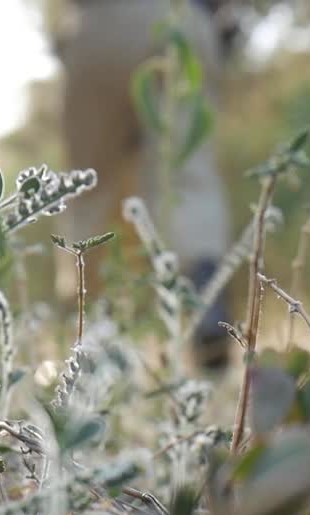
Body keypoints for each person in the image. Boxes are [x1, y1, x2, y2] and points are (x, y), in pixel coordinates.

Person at [51, 0, 234, 367]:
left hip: (100, 25)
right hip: (185, 17)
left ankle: (87, 328)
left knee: (88, 187)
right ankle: (206, 294)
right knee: (188, 172)